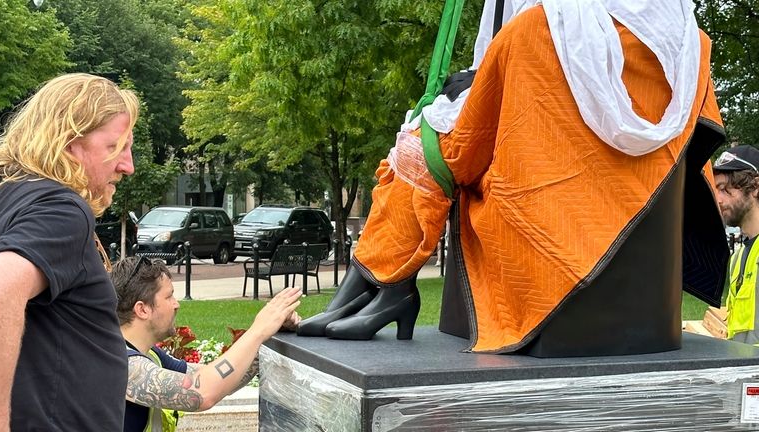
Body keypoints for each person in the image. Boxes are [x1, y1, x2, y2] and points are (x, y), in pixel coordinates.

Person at [298, 0, 729, 356]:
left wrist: (431, 120)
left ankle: (382, 279)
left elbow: (467, 146)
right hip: (636, 201)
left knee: (420, 143)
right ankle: (383, 282)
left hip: (542, 224)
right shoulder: (692, 45)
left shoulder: (538, 28)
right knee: (429, 138)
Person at [0, 73, 138, 430]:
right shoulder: (62, 209)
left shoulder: (4, 194)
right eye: (115, 148)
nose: (128, 165)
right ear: (69, 144)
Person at [110, 256, 301, 432]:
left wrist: (267, 336)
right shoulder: (119, 364)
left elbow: (217, 379)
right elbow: (201, 392)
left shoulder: (149, 355)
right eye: (169, 297)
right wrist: (258, 330)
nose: (177, 304)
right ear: (142, 310)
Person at [713, 145, 759, 345]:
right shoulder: (738, 257)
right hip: (743, 373)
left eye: (724, 189)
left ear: (756, 187)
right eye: (716, 190)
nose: (718, 199)